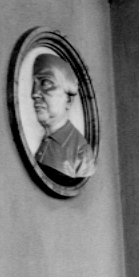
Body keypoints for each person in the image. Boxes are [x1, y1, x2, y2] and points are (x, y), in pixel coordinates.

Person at [31, 53, 95, 183]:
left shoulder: (81, 153)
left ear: (68, 100)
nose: (34, 94)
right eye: (34, 84)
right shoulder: (45, 141)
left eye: (46, 83)